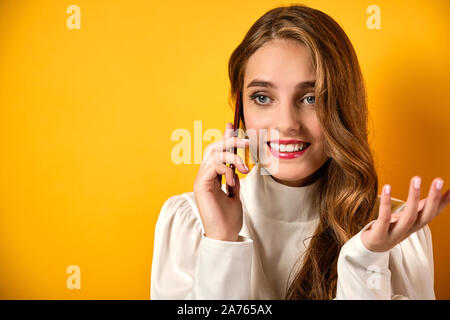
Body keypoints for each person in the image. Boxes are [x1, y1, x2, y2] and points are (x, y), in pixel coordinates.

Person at [150, 4, 450, 299]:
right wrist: (221, 242)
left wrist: (364, 260)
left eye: (311, 98)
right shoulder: (190, 221)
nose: (286, 124)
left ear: (343, 106)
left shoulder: (395, 231)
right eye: (263, 97)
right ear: (240, 107)